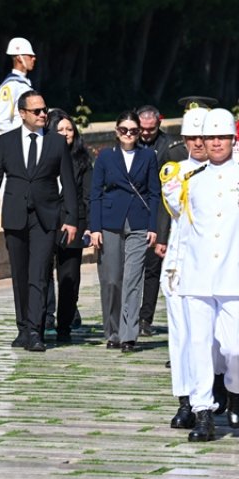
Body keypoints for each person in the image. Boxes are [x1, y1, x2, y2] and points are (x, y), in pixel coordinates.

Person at [175, 108, 239, 442]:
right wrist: (177, 268)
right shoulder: (192, 181)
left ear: (234, 140)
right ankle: (203, 412)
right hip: (198, 277)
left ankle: (236, 389)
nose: (216, 143)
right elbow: (185, 232)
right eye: (211, 137)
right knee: (199, 348)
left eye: (222, 137)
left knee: (235, 348)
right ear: (203, 141)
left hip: (236, 277)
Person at [88, 111, 161, 353]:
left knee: (132, 279)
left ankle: (129, 335)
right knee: (111, 280)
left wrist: (153, 227)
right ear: (116, 131)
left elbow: (154, 193)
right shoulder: (105, 157)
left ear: (139, 132)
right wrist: (95, 228)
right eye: (124, 130)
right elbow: (95, 193)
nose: (128, 135)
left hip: (139, 222)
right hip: (110, 222)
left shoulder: (148, 156)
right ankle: (113, 331)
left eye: (133, 131)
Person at [157, 107, 211, 429]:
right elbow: (179, 206)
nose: (198, 143)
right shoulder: (175, 173)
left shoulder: (231, 173)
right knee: (181, 337)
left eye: (203, 137)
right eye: (192, 137)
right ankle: (185, 400)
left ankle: (219, 390)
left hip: (215, 265)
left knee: (214, 339)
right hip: (181, 264)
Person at [137, 104, 186, 338]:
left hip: (157, 213)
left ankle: (145, 317)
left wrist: (163, 233)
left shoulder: (171, 147)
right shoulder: (130, 141)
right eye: (142, 129)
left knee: (151, 269)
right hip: (133, 211)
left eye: (150, 129)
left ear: (159, 123)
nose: (145, 133)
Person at [45, 109, 92, 343]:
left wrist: (87, 225)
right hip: (45, 223)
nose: (65, 133)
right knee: (43, 272)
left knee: (69, 276)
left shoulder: (82, 159)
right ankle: (45, 319)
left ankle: (65, 324)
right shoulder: (42, 156)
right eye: (60, 130)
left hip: (74, 222)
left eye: (69, 129)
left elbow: (87, 195)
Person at [0, 37, 36, 133]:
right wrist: (18, 139)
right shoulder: (11, 85)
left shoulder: (24, 84)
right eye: (30, 55)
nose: (34, 58)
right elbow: (1, 121)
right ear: (19, 57)